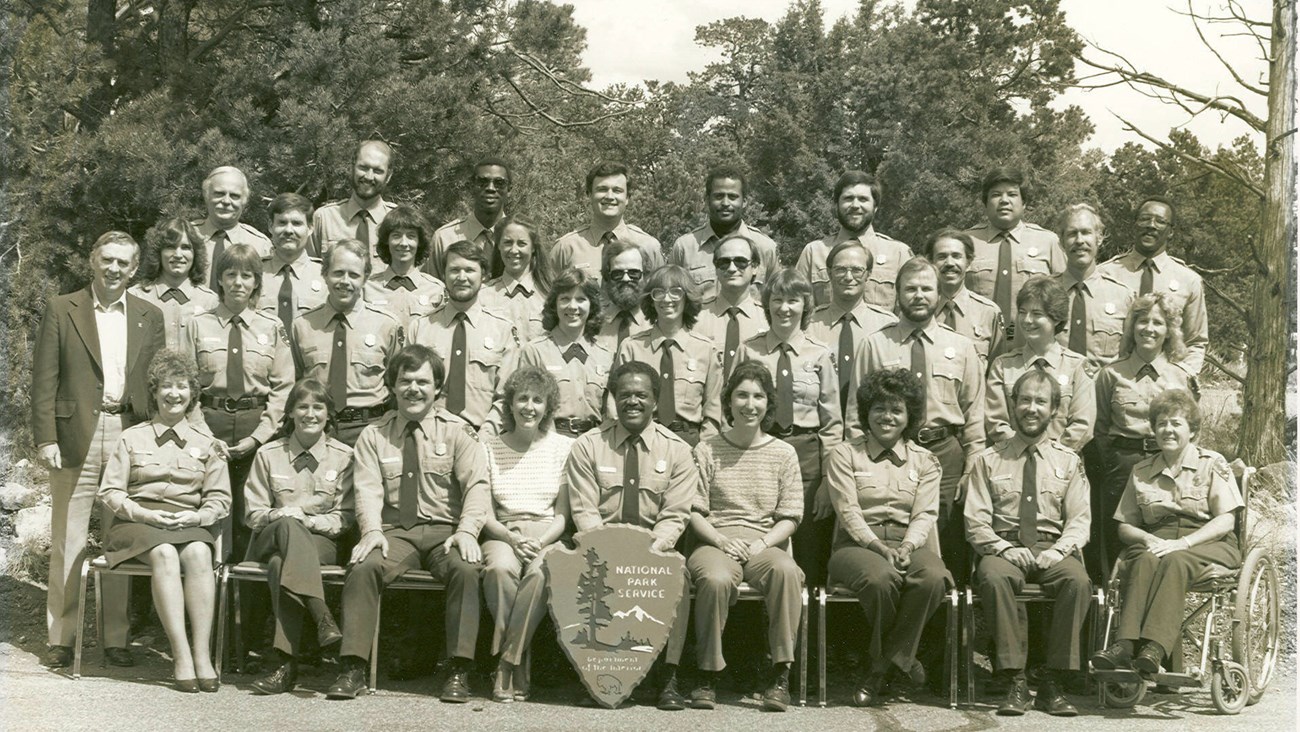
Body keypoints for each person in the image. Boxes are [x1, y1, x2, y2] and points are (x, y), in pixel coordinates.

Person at [326, 344, 491, 702]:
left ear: (437, 388)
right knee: (362, 564)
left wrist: (466, 532)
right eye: (405, 381)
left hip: (445, 531)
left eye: (423, 382)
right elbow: (368, 490)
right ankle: (353, 666)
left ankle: (458, 669)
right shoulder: (374, 435)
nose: (413, 389)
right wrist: (370, 532)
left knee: (467, 568)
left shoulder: (458, 432)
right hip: (395, 534)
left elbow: (477, 486)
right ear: (392, 386)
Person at [32, 230, 166, 670]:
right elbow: (44, 380)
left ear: (134, 269)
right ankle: (62, 638)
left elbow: (157, 383)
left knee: (120, 539)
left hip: (129, 433)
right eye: (106, 259)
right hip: (75, 436)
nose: (113, 269)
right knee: (68, 539)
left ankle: (115, 638)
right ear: (92, 260)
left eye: (123, 263)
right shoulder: (61, 308)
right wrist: (46, 437)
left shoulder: (149, 314)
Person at [565, 360, 697, 710]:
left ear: (655, 401)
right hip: (600, 547)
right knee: (581, 574)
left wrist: (646, 552)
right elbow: (585, 512)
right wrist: (611, 552)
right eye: (624, 395)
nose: (632, 402)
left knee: (678, 577)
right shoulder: (588, 446)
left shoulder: (678, 451)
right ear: (612, 399)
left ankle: (668, 676)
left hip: (654, 547)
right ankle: (594, 673)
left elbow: (675, 515)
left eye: (641, 395)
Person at [97, 350, 231, 692]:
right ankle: (181, 654)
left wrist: (197, 515)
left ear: (192, 394)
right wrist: (146, 514)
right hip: (137, 523)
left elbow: (220, 499)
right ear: (155, 392)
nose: (175, 393)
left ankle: (202, 655)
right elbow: (110, 492)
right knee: (165, 554)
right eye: (167, 386)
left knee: (200, 553)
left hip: (187, 521)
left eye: (183, 386)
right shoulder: (131, 438)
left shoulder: (209, 443)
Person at [963, 369, 1092, 717]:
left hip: (1052, 546)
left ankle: (1053, 682)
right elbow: (975, 522)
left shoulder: (1069, 462)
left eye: (1040, 401)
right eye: (1024, 400)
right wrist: (1004, 549)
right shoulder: (988, 460)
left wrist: (1057, 551)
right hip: (1002, 548)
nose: (1031, 408)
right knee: (993, 577)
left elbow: (1080, 522)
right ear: (1012, 405)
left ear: (1054, 410)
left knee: (1077, 581)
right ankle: (1015, 680)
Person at [847, 257, 984, 581]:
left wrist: (971, 468)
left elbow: (975, 415)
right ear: (897, 293)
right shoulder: (875, 344)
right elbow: (856, 413)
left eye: (926, 289)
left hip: (944, 454)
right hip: (887, 454)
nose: (918, 295)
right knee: (889, 539)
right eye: (910, 289)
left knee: (947, 543)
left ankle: (942, 629)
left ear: (939, 294)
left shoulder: (962, 347)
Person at [1090, 389, 1243, 676]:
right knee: (1145, 559)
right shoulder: (1141, 470)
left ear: (1193, 430)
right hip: (1158, 539)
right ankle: (1124, 646)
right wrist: (1148, 538)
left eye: (1176, 423)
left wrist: (1183, 542)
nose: (1167, 430)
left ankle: (1154, 648)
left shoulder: (1212, 463)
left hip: (1208, 540)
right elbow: (1124, 526)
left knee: (1175, 560)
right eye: (1161, 424)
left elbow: (1225, 522)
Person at [825, 368, 950, 706]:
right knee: (880, 579)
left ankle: (879, 667)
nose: (887, 416)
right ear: (866, 412)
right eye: (879, 408)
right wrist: (878, 547)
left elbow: (925, 514)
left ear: (909, 416)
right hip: (857, 546)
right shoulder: (844, 454)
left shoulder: (926, 461)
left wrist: (908, 545)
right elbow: (847, 511)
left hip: (908, 544)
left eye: (896, 409)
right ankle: (903, 660)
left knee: (934, 577)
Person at [687, 360, 804, 712]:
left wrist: (762, 543)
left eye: (757, 396)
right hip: (715, 540)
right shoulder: (706, 448)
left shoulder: (784, 453)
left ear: (768, 403)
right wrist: (721, 541)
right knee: (715, 577)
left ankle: (780, 673)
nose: (749, 404)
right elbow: (693, 510)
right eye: (741, 395)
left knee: (786, 572)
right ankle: (707, 672)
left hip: (764, 541)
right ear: (728, 401)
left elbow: (791, 516)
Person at [242, 378, 354, 695]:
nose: (310, 413)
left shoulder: (344, 456)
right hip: (268, 537)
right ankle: (321, 615)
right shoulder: (268, 454)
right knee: (287, 526)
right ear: (290, 411)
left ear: (328, 414)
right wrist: (284, 516)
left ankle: (284, 665)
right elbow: (253, 514)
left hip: (319, 543)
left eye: (318, 406)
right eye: (302, 406)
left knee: (281, 565)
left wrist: (307, 520)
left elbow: (345, 517)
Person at [736, 269, 841, 586]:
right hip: (759, 453)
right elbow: (736, 408)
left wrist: (827, 478)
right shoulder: (748, 350)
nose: (784, 308)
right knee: (757, 540)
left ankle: (805, 631)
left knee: (807, 542)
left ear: (806, 306)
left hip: (806, 455)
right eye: (777, 300)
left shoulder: (820, 353)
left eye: (793, 300)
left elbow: (832, 421)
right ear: (766, 305)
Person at [190, 243, 295, 557]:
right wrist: (203, 434)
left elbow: (283, 387)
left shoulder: (272, 327)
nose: (238, 282)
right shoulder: (198, 325)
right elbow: (187, 387)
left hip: (255, 425)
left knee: (250, 513)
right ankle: (208, 597)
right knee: (208, 509)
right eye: (230, 274)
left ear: (256, 283)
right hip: (209, 424)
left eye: (246, 275)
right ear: (219, 280)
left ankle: (247, 603)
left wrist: (258, 437)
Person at [480, 366, 573, 703]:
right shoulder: (489, 447)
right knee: (500, 570)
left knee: (541, 573)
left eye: (537, 400)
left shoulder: (563, 448)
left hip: (546, 533)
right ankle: (518, 661)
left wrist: (541, 541)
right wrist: (511, 537)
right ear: (510, 403)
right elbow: (485, 512)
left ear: (548, 407)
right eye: (522, 398)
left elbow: (563, 514)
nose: (529, 407)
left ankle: (506, 662)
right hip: (503, 532)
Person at [1091, 293, 1196, 576]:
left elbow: (1189, 427)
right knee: (1116, 534)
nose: (1149, 328)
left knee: (1160, 532)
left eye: (1158, 322)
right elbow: (1100, 428)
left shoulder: (1180, 377)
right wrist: (1114, 462)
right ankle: (1108, 606)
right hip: (1122, 463)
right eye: (1142, 321)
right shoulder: (1111, 374)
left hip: (1166, 462)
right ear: (1131, 327)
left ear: (1169, 331)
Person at [291, 239, 403, 446]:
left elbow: (396, 382)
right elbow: (295, 381)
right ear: (324, 274)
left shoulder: (387, 325)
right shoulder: (302, 326)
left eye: (353, 275)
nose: (345, 281)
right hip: (317, 428)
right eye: (338, 273)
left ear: (365, 278)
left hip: (371, 428)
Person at [409, 241, 518, 435]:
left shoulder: (502, 330)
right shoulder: (421, 327)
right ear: (443, 275)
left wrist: (485, 435)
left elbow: (507, 395)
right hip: (427, 434)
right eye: (454, 270)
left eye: (469, 270)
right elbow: (407, 387)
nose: (461, 277)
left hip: (484, 437)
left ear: (483, 275)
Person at [1097, 196, 1208, 375]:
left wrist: (1182, 380)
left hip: (1165, 383)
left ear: (1171, 231)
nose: (1151, 225)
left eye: (1160, 221)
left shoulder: (1189, 280)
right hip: (1112, 379)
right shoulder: (1104, 274)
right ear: (1134, 224)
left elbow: (1196, 342)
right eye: (1145, 219)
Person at [614, 265, 722, 446]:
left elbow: (713, 409)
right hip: (641, 439)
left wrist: (704, 448)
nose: (667, 298)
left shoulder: (706, 349)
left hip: (688, 441)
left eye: (675, 292)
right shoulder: (632, 347)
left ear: (687, 297)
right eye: (659, 292)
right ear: (651, 299)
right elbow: (615, 402)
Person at [985, 276, 1095, 451]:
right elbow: (997, 423)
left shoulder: (1077, 367)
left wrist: (1050, 456)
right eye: (1022, 312)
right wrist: (1024, 451)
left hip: (1062, 467)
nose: (1027, 320)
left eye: (1037, 314)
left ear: (1057, 318)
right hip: (1012, 460)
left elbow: (1082, 426)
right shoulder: (1003, 366)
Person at [962, 167, 1064, 350]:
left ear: (1024, 203)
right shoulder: (965, 242)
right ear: (985, 203)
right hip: (976, 345)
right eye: (996, 195)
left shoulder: (1048, 242)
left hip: (1031, 346)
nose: (1004, 201)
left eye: (1012, 194)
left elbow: (1063, 299)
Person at [515, 267, 614, 438]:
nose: (572, 306)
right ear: (554, 304)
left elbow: (610, 412)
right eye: (565, 299)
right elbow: (527, 408)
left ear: (592, 305)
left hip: (594, 443)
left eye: (581, 299)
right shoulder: (535, 352)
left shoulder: (605, 355)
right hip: (548, 440)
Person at [807, 240, 898, 422]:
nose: (848, 277)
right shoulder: (808, 324)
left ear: (869, 275)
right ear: (830, 273)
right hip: (819, 427)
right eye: (841, 269)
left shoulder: (889, 326)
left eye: (856, 270)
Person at [795, 170, 911, 309]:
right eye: (848, 198)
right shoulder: (814, 252)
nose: (855, 205)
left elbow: (908, 313)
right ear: (836, 205)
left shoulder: (899, 254)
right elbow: (798, 307)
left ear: (875, 207)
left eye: (863, 199)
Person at [669, 166, 780, 303]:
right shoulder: (685, 247)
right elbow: (670, 299)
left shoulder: (765, 247)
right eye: (719, 196)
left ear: (744, 201)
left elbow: (777, 299)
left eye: (733, 197)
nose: (725, 203)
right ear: (707, 199)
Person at [1053, 203, 1135, 378]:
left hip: (1103, 398)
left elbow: (1131, 357)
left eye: (1086, 232)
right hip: (1054, 395)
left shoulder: (1123, 297)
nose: (1079, 240)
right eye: (1072, 233)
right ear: (1061, 242)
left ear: (1099, 238)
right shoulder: (1044, 292)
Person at [550, 161, 665, 283]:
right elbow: (548, 297)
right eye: (602, 189)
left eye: (617, 190)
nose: (610, 196)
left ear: (627, 198)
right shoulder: (566, 249)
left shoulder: (649, 246)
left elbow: (659, 294)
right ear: (589, 195)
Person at [129, 217, 220, 351]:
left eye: (186, 247)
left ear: (195, 253)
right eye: (170, 247)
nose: (178, 254)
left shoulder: (211, 302)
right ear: (158, 252)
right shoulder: (135, 298)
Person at [694, 234, 770, 380]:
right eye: (724, 262)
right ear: (716, 268)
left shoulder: (768, 319)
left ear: (754, 267)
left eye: (740, 261)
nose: (731, 268)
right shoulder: (695, 317)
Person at [923, 228, 1004, 364]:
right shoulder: (920, 310)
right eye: (942, 257)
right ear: (930, 262)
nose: (949, 263)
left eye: (956, 256)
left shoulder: (989, 313)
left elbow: (997, 369)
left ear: (968, 262)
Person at [364, 204, 447, 328]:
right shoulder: (367, 288)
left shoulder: (436, 290)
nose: (403, 243)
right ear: (386, 240)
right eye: (396, 236)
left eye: (411, 236)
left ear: (419, 242)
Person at [429, 156, 513, 280]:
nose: (490, 188)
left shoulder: (522, 239)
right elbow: (433, 290)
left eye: (499, 183)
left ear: (509, 190)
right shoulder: (444, 238)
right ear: (471, 186)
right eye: (482, 182)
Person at [311, 140, 397, 258]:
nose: (368, 177)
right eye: (363, 167)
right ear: (352, 167)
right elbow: (307, 271)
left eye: (377, 171)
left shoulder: (399, 222)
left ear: (389, 176)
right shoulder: (323, 219)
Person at [193, 166, 273, 288]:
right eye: (219, 194)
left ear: (244, 201)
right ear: (206, 195)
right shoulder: (187, 236)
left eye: (234, 196)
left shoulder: (260, 246)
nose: (226, 201)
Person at [260, 193, 326, 332]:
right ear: (270, 227)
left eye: (296, 223)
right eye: (282, 223)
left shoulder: (326, 276)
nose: (289, 230)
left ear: (310, 228)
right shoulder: (254, 273)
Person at [485, 216, 550, 342]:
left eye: (522, 243)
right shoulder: (482, 295)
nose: (514, 250)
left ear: (533, 248)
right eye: (508, 242)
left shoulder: (550, 294)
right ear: (498, 246)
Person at [596, 238, 654, 353]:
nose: (626, 279)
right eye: (617, 273)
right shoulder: (592, 321)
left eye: (634, 273)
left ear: (646, 276)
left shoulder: (659, 321)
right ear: (607, 277)